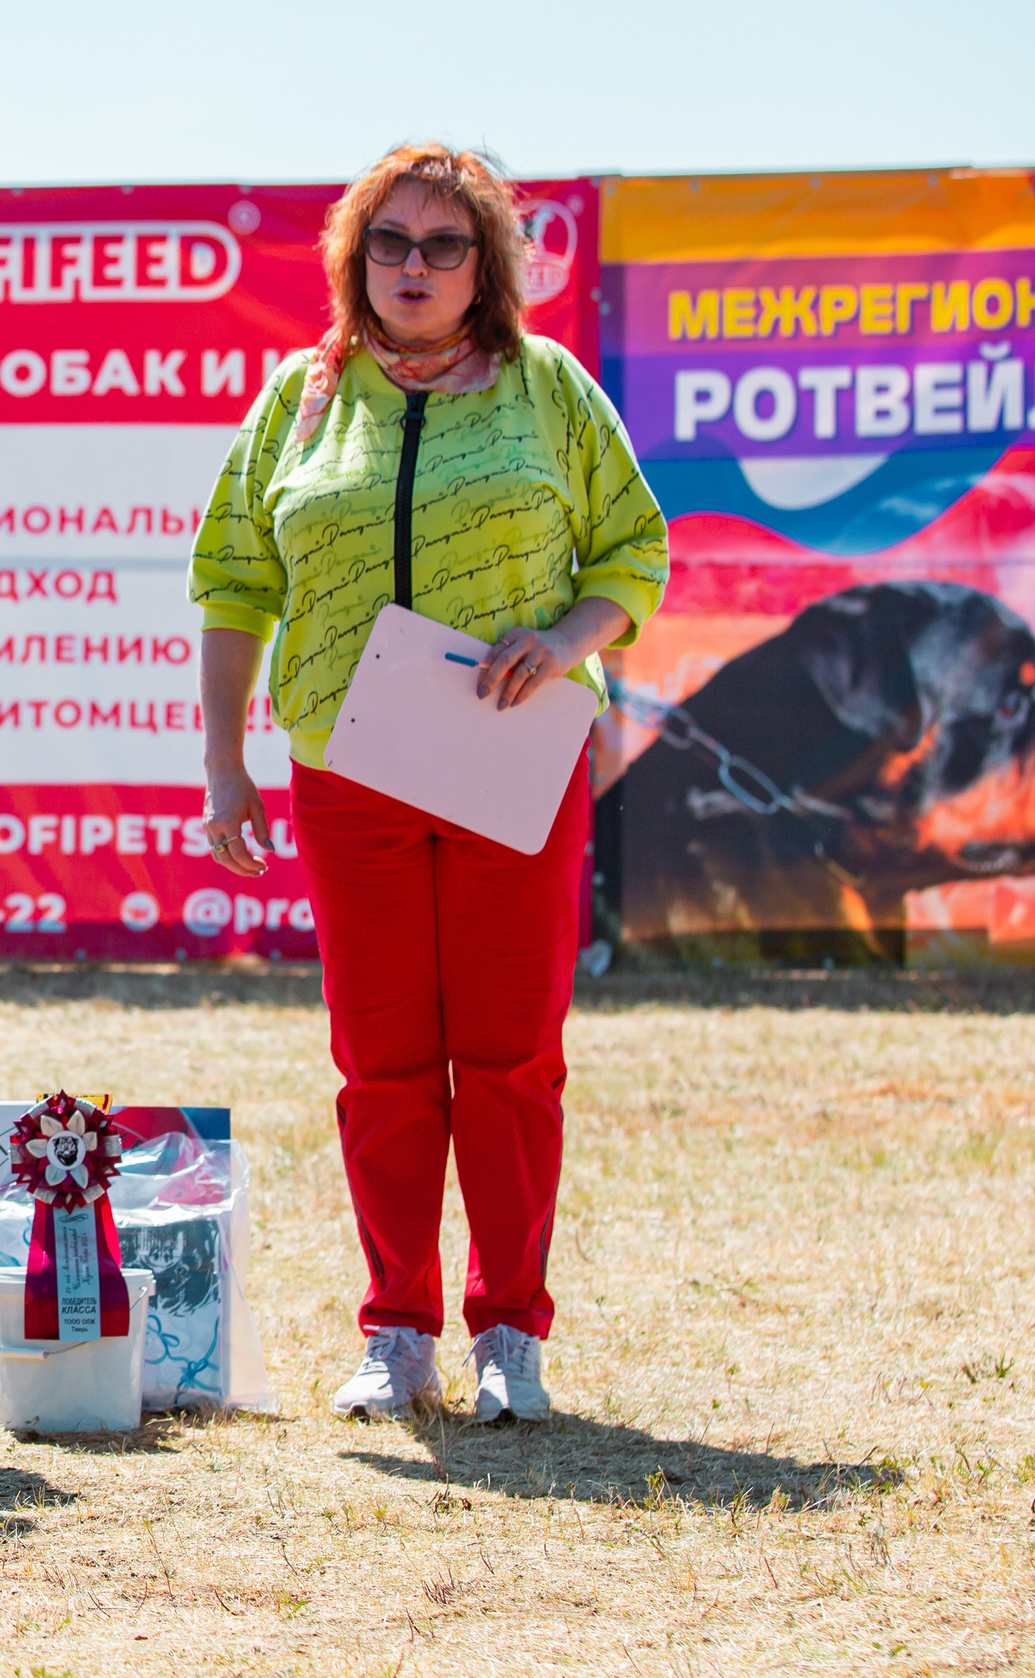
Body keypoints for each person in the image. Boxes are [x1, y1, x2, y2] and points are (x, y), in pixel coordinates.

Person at [188, 145, 668, 1424]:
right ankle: (395, 1328)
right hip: (349, 773)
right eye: (389, 242)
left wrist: (566, 641)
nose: (412, 265)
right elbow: (234, 583)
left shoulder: (548, 387)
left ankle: (509, 1328)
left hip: (513, 761)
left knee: (510, 1057)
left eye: (442, 245)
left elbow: (635, 550)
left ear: (486, 267)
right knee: (383, 1059)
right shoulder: (299, 398)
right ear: (354, 261)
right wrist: (223, 760)